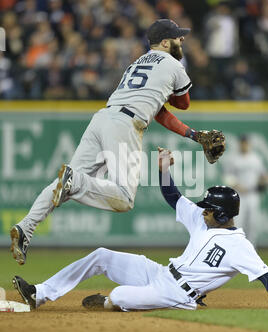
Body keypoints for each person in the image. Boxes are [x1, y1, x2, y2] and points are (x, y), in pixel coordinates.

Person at [10, 19, 224, 265]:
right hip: (125, 126)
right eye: (177, 37)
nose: (182, 40)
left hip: (103, 118)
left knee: (63, 184)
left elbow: (158, 110)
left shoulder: (137, 63)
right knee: (123, 198)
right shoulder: (174, 65)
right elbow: (183, 103)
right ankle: (76, 180)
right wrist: (175, 96)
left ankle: (26, 226)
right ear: (165, 42)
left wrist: (194, 135)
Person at [12, 147, 268, 311]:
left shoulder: (239, 245)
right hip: (161, 272)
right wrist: (164, 170)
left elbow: (266, 274)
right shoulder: (201, 220)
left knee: (119, 295)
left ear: (220, 214)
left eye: (207, 208)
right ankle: (40, 293)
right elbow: (173, 197)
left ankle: (110, 303)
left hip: (179, 294)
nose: (201, 210)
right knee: (101, 256)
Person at [222, 134, 268, 246]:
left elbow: (264, 175)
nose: (244, 145)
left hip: (253, 195)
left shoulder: (256, 158)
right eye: (242, 143)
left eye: (246, 143)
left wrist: (266, 181)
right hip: (239, 195)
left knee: (253, 224)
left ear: (249, 144)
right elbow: (227, 177)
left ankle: (251, 251)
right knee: (238, 223)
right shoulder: (233, 158)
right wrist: (237, 186)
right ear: (240, 144)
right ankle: (236, 249)